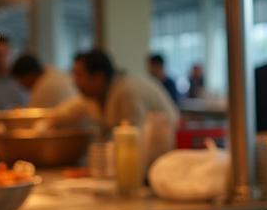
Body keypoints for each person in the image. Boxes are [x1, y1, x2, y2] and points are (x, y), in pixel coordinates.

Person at [49, 49, 178, 141]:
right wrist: (46, 124)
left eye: (79, 75)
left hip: (162, 158)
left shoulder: (127, 92)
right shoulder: (96, 95)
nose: (75, 82)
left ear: (98, 78)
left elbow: (135, 141)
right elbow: (69, 111)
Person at [9, 54, 77, 108]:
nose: (21, 85)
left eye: (21, 80)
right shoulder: (54, 73)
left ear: (30, 75)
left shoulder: (44, 87)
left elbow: (33, 119)